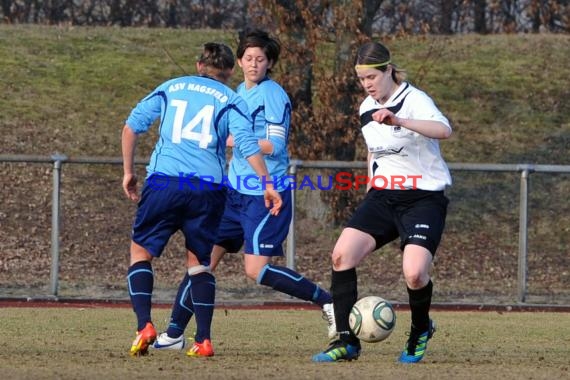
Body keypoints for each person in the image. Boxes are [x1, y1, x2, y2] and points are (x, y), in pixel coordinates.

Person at [152, 29, 336, 352]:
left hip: (265, 195)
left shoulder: (274, 95)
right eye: (248, 58)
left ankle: (327, 301)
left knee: (255, 270)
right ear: (238, 62)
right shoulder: (235, 92)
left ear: (270, 63)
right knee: (201, 259)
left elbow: (275, 146)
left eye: (260, 59)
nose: (253, 64)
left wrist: (233, 139)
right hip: (233, 194)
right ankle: (174, 333)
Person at [122, 42, 282, 357]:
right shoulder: (232, 99)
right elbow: (248, 144)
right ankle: (203, 340)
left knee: (140, 253)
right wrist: (267, 183)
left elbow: (131, 128)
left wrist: (128, 172)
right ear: (231, 70)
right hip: (207, 189)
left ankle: (144, 326)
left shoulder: (171, 87)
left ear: (199, 65)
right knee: (200, 264)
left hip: (164, 182)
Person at [312, 41, 452, 363]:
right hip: (383, 197)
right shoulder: (365, 108)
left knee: (415, 273)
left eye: (372, 78)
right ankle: (346, 342)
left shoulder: (414, 100)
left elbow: (444, 130)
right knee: (341, 256)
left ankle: (420, 330)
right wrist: (372, 180)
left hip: (423, 199)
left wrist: (400, 121)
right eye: (362, 80)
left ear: (388, 70)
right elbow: (373, 150)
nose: (367, 85)